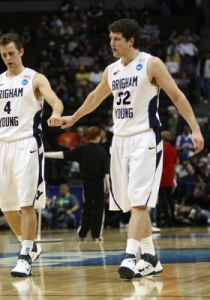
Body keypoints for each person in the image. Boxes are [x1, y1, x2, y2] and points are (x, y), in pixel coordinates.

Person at [60, 18, 204, 280]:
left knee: (139, 203)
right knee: (130, 204)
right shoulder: (111, 70)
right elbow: (95, 97)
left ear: (131, 40)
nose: (111, 43)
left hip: (145, 138)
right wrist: (74, 117)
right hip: (120, 140)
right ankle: (150, 258)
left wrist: (194, 128)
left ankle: (130, 255)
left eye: (116, 39)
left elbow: (177, 96)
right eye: (110, 38)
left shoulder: (152, 64)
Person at [0, 33, 63, 277]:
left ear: (21, 51)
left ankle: (25, 254)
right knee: (6, 207)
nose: (8, 58)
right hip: (1, 147)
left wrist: (56, 113)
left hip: (26, 144)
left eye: (12, 53)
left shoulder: (35, 78)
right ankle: (29, 245)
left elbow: (55, 100)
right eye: (4, 54)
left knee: (27, 203)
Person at [45, 126, 109, 240]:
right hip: (99, 182)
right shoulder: (102, 150)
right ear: (98, 136)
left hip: (86, 182)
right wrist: (108, 186)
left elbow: (64, 154)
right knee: (99, 208)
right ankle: (96, 235)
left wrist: (46, 154)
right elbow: (106, 171)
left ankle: (82, 234)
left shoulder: (81, 149)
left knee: (87, 206)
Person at [158, 131, 178, 227]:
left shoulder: (161, 149)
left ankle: (167, 219)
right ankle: (173, 217)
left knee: (164, 198)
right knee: (170, 198)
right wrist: (174, 176)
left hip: (162, 175)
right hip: (170, 174)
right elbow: (175, 163)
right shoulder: (174, 149)